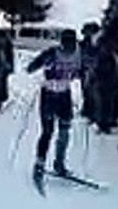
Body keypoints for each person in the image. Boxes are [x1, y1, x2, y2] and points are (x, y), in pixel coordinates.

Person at [27, 29, 83, 186]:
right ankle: (39, 164)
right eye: (66, 44)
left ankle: (59, 163)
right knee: (47, 131)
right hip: (49, 95)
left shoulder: (78, 54)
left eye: (71, 44)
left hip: (64, 95)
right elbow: (31, 67)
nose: (69, 48)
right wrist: (44, 66)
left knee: (64, 131)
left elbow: (81, 70)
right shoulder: (52, 53)